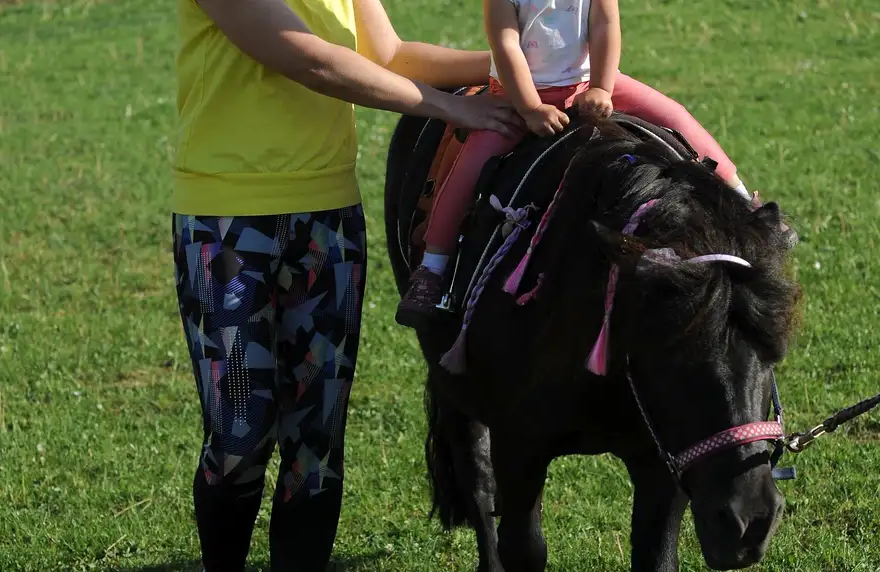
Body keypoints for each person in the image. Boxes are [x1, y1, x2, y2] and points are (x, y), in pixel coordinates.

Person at [171, 0, 521, 570]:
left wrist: (514, 65)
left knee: (317, 442)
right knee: (239, 437)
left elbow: (389, 55)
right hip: (224, 223)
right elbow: (310, 59)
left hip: (328, 221)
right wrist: (447, 109)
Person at [395, 0, 754, 328]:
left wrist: (601, 86)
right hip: (518, 96)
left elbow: (605, 25)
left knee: (676, 117)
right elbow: (505, 45)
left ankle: (743, 203)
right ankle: (433, 268)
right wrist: (530, 107)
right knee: (468, 165)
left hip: (587, 85)